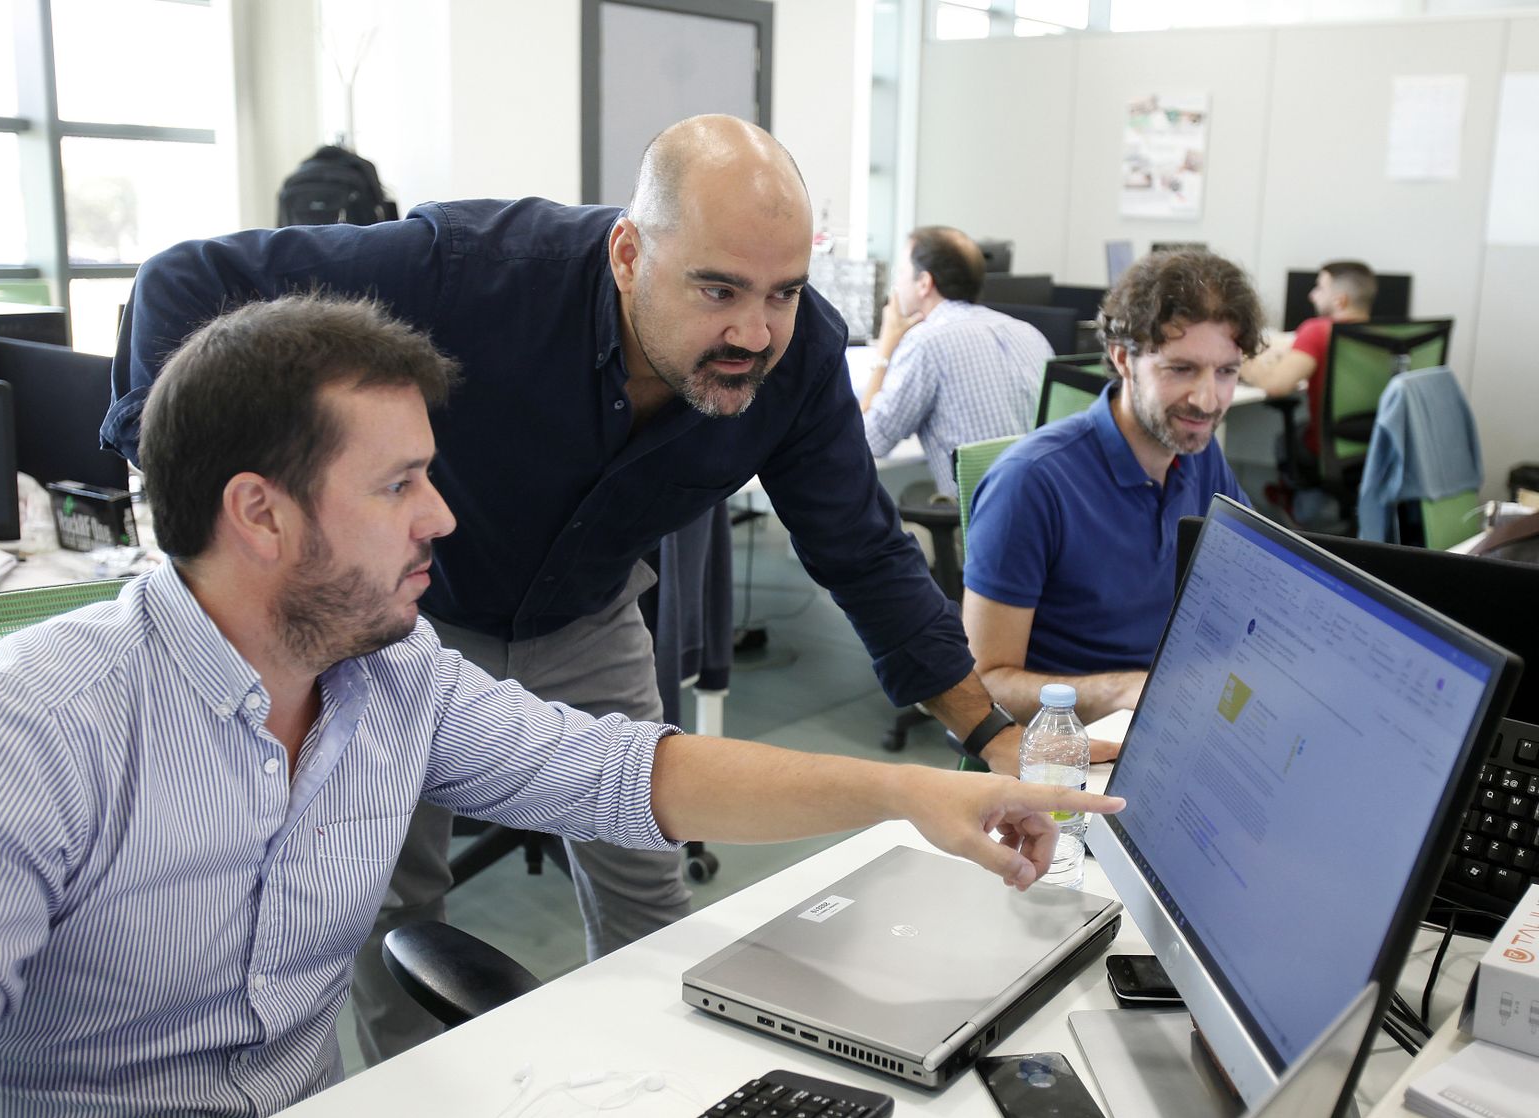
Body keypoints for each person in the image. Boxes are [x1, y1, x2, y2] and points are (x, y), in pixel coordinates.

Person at [0, 295, 1123, 1118]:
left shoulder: (392, 677)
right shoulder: (29, 735)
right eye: (399, 483)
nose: (443, 518)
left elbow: (627, 775)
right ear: (260, 513)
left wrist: (907, 789)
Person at [98, 115, 1039, 1065]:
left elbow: (862, 551)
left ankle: (659, 1086)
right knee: (391, 902)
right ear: (629, 253)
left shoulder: (793, 364)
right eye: (718, 288)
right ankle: (406, 1105)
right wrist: (207, 513)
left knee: (648, 880)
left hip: (588, 616)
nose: (755, 332)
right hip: (409, 631)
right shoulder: (471, 271)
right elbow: (185, 277)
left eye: (783, 294)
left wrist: (987, 737)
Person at [961, 250, 1261, 726]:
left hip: (1174, 710)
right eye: (1181, 369)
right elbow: (985, 686)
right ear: (1124, 358)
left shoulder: (1200, 456)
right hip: (1075, 741)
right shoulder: (1031, 483)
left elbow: (1249, 584)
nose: (1207, 400)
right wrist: (1125, 689)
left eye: (1226, 371)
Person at [861, 226, 1052, 500]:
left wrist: (887, 345)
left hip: (981, 526)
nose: (897, 284)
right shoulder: (1029, 333)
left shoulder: (926, 342)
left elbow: (867, 441)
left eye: (901, 272)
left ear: (924, 283)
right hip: (1042, 518)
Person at [1239, 260, 1376, 489]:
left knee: (1285, 441)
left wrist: (1240, 357)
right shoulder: (1386, 337)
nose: (1312, 295)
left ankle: (1295, 503)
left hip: (1326, 450)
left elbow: (1276, 385)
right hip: (1373, 452)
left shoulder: (1318, 331)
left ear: (1339, 300)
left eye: (1320, 288)